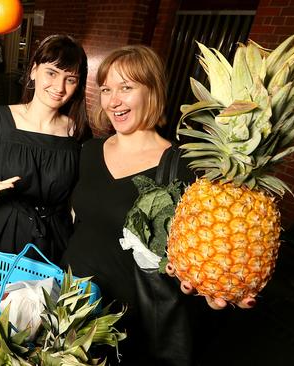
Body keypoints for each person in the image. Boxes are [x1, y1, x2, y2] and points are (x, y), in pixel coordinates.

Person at [60, 45, 255, 366]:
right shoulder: (90, 151)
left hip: (130, 323)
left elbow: (204, 251)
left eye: (126, 88)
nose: (113, 101)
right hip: (70, 300)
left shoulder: (184, 168)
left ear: (152, 91)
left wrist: (214, 285)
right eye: (107, 89)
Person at [0, 34, 90, 264]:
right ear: (34, 70)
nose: (59, 87)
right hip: (8, 234)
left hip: (57, 241)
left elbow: (77, 201)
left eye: (71, 79)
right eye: (52, 73)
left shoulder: (78, 133)